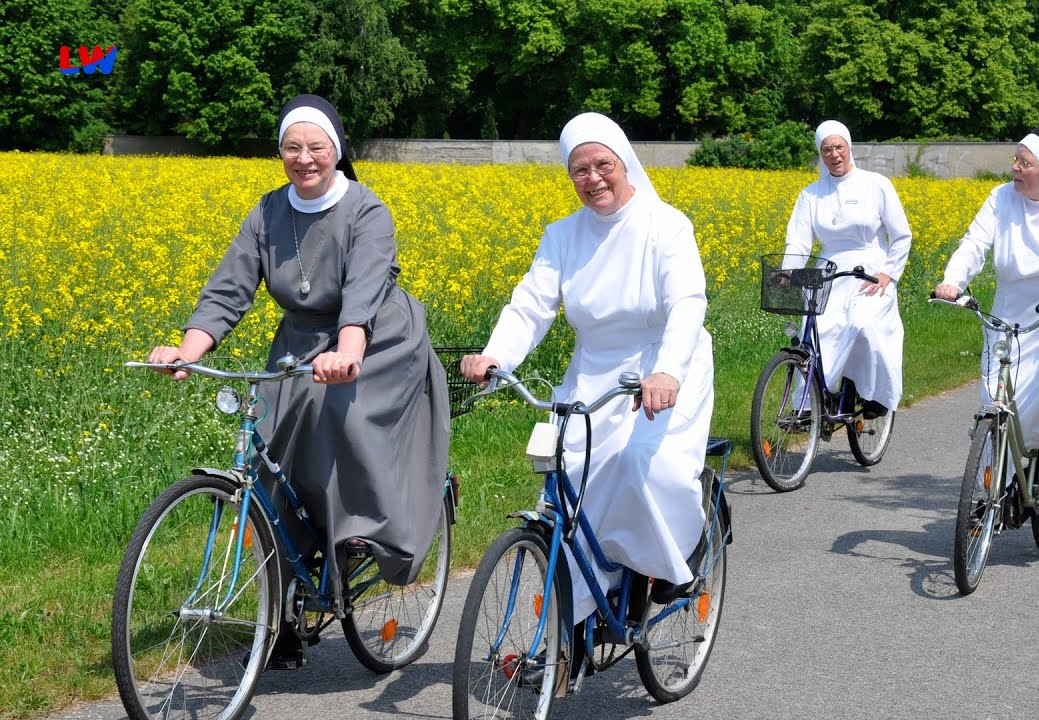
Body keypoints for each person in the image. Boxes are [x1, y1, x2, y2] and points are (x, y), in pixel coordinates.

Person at [147, 94, 451, 668]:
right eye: (293, 147)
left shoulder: (367, 211)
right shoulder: (266, 213)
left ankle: (364, 533)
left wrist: (349, 350)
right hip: (301, 345)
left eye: (317, 147)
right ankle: (282, 608)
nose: (304, 158)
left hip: (379, 341)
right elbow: (228, 289)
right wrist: (188, 350)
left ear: (336, 150)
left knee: (344, 416)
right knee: (269, 453)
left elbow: (362, 294)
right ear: (280, 152)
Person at [460, 112, 714, 627]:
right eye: (579, 170)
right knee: (566, 488)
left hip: (660, 366)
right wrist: (495, 356)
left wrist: (667, 371)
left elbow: (688, 301)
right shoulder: (562, 235)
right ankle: (570, 630)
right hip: (592, 372)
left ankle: (678, 554)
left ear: (624, 163)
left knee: (641, 464)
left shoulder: (666, 224)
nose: (593, 178)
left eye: (603, 164)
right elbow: (531, 304)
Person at [933, 125, 1039, 475]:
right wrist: (952, 281)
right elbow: (974, 243)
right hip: (1011, 316)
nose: (1015, 168)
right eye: (1015, 160)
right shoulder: (1001, 198)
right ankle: (991, 494)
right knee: (996, 404)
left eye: (1024, 163)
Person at [781, 120, 912, 418]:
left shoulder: (876, 184)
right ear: (820, 153)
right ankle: (807, 407)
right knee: (811, 334)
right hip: (828, 273)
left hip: (871, 271)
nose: (834, 154)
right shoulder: (810, 195)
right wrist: (787, 271)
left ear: (849, 147)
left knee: (863, 324)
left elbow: (902, 234)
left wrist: (888, 273)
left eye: (839, 147)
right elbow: (798, 242)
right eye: (827, 149)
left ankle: (875, 395)